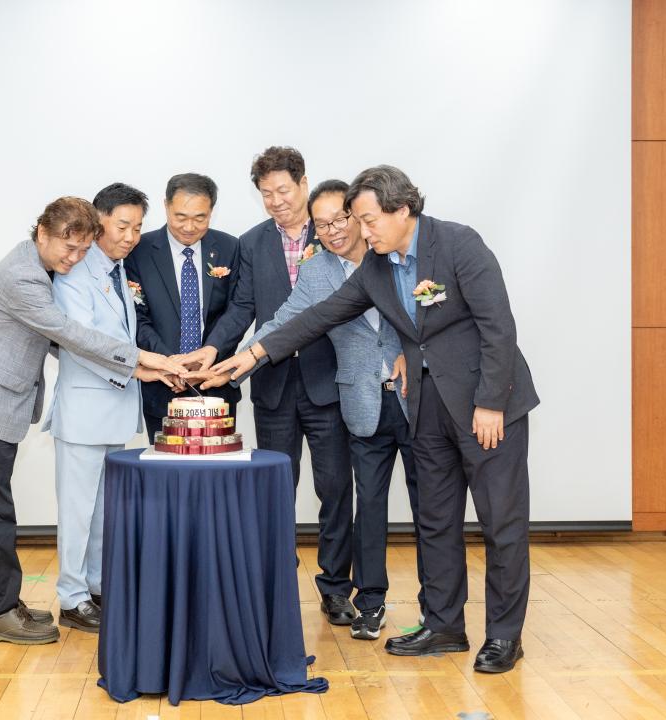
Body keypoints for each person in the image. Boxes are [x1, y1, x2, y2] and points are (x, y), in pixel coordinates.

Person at [206, 165, 539, 673]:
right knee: (435, 521)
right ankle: (444, 624)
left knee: (501, 524)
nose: (361, 231)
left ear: (402, 209)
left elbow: (499, 325)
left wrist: (491, 402)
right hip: (425, 406)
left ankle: (504, 636)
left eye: (367, 219)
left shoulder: (458, 244)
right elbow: (320, 314)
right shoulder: (379, 268)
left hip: (484, 408)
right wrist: (251, 356)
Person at [0, 196, 184, 645]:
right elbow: (69, 334)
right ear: (42, 233)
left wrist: (140, 367)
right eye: (67, 248)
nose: (73, 259)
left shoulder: (39, 265)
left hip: (2, 398)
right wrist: (143, 361)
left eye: (81, 250)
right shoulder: (24, 278)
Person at [208, 179, 426, 641]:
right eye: (322, 225)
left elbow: (430, 315)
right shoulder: (316, 272)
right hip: (363, 403)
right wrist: (241, 360)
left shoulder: (394, 255)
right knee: (367, 507)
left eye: (339, 220)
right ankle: (370, 602)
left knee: (432, 504)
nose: (331, 231)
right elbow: (290, 320)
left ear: (357, 215)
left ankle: (439, 608)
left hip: (417, 396)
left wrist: (417, 351)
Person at [181, 147, 356, 627]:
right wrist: (213, 351)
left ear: (303, 184)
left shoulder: (336, 234)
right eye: (265, 194)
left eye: (283, 190)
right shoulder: (252, 243)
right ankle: (275, 583)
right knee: (275, 489)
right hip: (273, 383)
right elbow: (242, 310)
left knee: (336, 488)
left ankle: (336, 587)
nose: (276, 201)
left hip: (328, 379)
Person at [42, 184, 149, 634]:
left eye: (138, 228)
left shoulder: (116, 271)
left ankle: (98, 587)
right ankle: (71, 596)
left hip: (114, 411)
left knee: (106, 510)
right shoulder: (74, 274)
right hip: (85, 412)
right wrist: (144, 367)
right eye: (122, 225)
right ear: (98, 221)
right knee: (78, 511)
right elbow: (81, 342)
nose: (130, 236)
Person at [123, 173, 243, 441]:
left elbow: (237, 309)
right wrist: (169, 363)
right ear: (165, 206)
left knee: (215, 475)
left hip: (214, 384)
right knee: (166, 474)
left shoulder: (229, 247)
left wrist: (210, 354)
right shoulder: (139, 251)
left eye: (200, 218)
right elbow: (136, 317)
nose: (189, 226)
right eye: (180, 217)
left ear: (212, 210)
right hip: (161, 384)